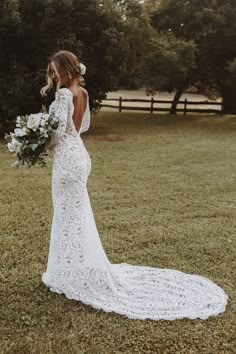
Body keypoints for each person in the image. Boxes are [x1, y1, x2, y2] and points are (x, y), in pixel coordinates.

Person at [41, 50, 228, 320]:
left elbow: (57, 134)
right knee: (77, 214)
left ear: (65, 69)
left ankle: (65, 273)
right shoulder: (83, 93)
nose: (54, 75)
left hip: (66, 161)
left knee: (67, 214)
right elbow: (80, 129)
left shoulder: (64, 95)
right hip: (80, 156)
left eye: (55, 71)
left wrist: (37, 141)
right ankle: (71, 268)